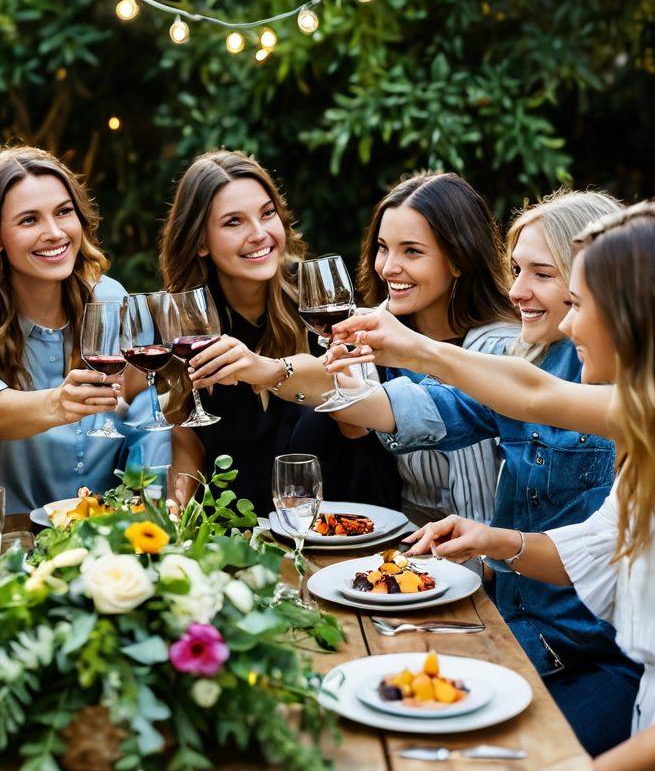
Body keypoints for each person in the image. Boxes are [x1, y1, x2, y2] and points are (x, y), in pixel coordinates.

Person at [330, 201, 655, 771]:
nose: (570, 325)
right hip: (645, 727)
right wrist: (496, 540)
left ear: (637, 314)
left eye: (578, 304)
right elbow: (594, 548)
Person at [190, 171, 517, 525]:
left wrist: (268, 370)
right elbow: (342, 392)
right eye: (382, 248)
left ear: (458, 258)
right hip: (406, 553)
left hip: (489, 561)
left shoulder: (502, 347)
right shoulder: (376, 337)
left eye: (412, 251)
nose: (388, 268)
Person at [158, 149, 402, 514]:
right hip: (239, 536)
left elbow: (348, 392)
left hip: (340, 528)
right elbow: (190, 431)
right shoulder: (190, 321)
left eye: (267, 213)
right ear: (200, 242)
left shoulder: (317, 305)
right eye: (233, 222)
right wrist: (179, 507)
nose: (260, 234)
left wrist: (264, 368)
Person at [0, 146, 167, 514]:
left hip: (106, 537)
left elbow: (142, 401)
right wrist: (59, 403)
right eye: (29, 220)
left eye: (64, 212)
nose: (55, 232)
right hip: (8, 537)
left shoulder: (110, 298)